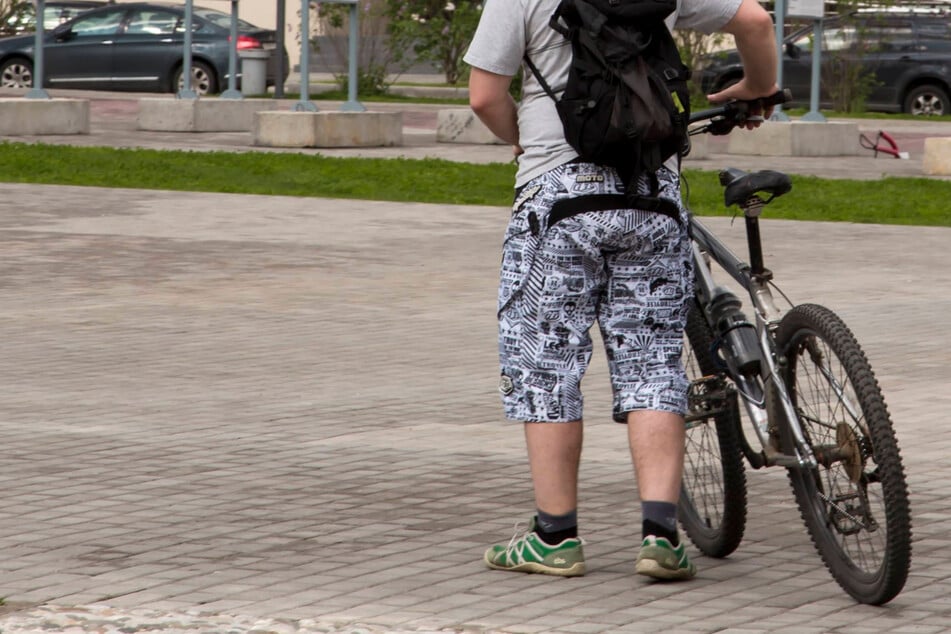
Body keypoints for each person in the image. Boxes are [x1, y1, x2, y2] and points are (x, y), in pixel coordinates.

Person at [464, 0, 779, 580]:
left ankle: (555, 539)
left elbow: (485, 96)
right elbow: (756, 21)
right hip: (652, 195)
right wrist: (755, 87)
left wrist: (523, 142)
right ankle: (661, 538)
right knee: (654, 363)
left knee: (546, 364)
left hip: (557, 201)